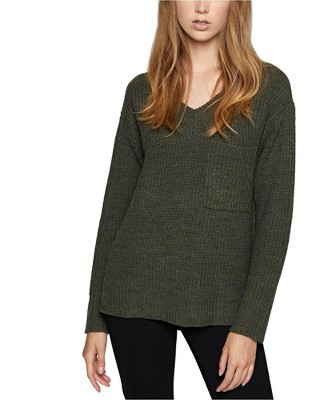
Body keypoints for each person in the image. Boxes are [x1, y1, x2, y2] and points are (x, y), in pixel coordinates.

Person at [81, 1, 295, 399]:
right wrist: (95, 318)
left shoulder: (267, 89)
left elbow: (275, 219)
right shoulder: (143, 91)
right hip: (135, 290)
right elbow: (115, 208)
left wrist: (250, 326)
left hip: (223, 298)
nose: (201, 7)